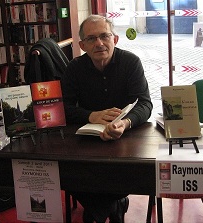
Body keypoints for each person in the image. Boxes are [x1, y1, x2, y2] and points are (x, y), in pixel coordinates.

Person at [62, 14, 153, 223]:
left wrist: (125, 123)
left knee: (123, 173)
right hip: (87, 140)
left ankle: (97, 211)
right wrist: (91, 116)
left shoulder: (131, 62)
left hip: (125, 138)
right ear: (82, 45)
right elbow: (63, 108)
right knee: (72, 173)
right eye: (92, 39)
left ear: (115, 39)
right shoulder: (74, 68)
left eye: (105, 36)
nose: (99, 43)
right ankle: (114, 206)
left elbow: (145, 104)